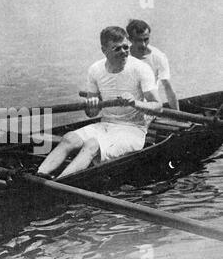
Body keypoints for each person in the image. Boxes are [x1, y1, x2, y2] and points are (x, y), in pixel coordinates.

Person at [37, 26, 162, 179]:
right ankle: (38, 175)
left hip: (132, 129)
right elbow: (92, 114)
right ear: (104, 50)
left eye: (126, 47)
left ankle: (58, 183)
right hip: (105, 125)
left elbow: (158, 107)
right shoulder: (95, 70)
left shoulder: (141, 69)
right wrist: (92, 105)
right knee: (69, 138)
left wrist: (134, 103)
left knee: (92, 144)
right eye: (117, 49)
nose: (123, 52)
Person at [126, 19, 178, 110]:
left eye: (146, 39)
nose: (143, 44)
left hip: (148, 107)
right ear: (129, 39)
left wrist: (179, 116)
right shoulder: (123, 56)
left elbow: (168, 88)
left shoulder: (159, 57)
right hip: (127, 103)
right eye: (138, 40)